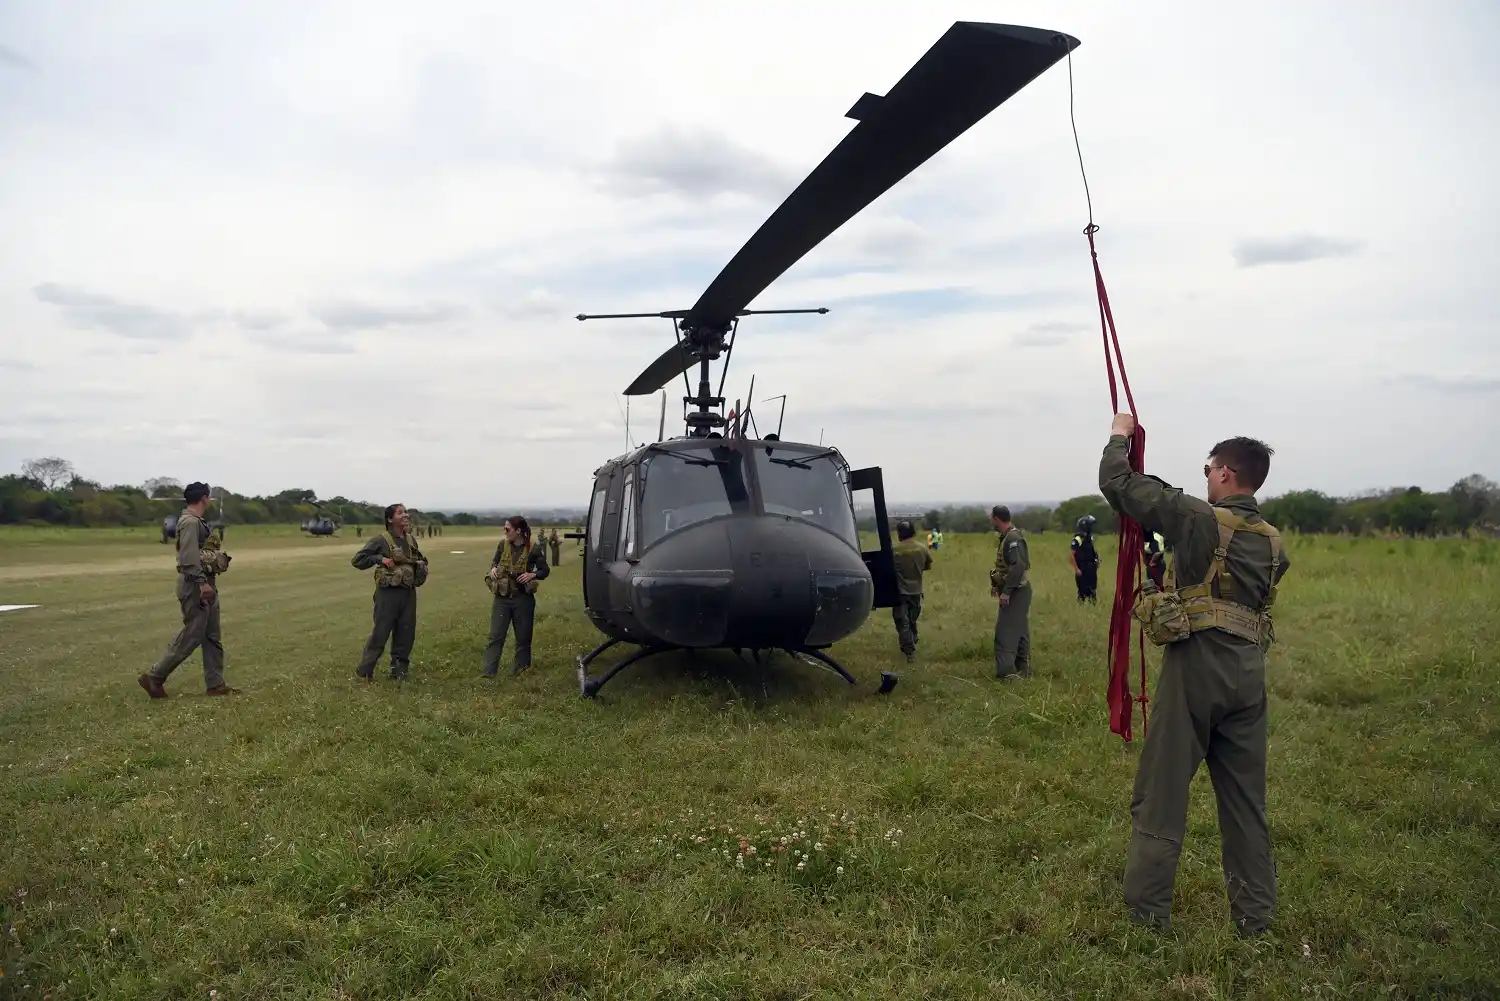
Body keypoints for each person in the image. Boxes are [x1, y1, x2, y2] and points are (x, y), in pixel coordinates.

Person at [1099, 413, 1292, 937]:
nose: (1206, 477)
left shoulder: (1199, 519)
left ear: (1226, 474)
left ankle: (1146, 918)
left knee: (1161, 792)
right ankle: (1255, 921)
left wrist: (1120, 434)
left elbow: (1118, 485)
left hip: (1196, 666)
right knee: (1246, 804)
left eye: (1210, 469)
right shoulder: (1275, 543)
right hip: (1249, 675)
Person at [138, 482, 238, 698]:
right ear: (204, 498)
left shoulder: (195, 521)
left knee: (212, 636)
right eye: (209, 497)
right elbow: (188, 558)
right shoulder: (190, 522)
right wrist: (202, 583)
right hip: (195, 585)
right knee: (192, 635)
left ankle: (216, 684)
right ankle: (155, 677)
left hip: (205, 583)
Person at [350, 503, 428, 681]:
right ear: (390, 519)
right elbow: (358, 560)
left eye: (406, 512)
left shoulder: (410, 539)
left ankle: (399, 671)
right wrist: (380, 559)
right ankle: (365, 671)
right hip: (388, 594)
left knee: (406, 632)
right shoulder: (381, 540)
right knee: (381, 632)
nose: (406, 515)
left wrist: (424, 565)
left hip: (408, 592)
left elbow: (418, 558)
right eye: (401, 513)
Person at [482, 515, 550, 677]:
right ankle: (489, 673)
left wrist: (532, 575)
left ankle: (522, 672)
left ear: (518, 531)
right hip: (502, 598)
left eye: (507, 529)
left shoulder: (533, 548)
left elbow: (545, 570)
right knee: (496, 636)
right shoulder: (502, 545)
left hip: (523, 599)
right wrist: (493, 569)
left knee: (523, 637)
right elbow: (495, 562)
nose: (505, 532)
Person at [988, 504, 1031, 679]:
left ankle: (1006, 674)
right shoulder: (1008, 537)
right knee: (1020, 629)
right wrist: (996, 584)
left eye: (991, 517)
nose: (990, 520)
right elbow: (1005, 567)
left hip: (1016, 592)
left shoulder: (1012, 538)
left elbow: (1018, 566)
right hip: (1015, 590)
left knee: (1005, 633)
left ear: (997, 518)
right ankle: (1023, 669)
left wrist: (1006, 591)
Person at [890, 519, 933, 662]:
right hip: (916, 591)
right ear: (913, 532)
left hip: (900, 592)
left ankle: (909, 651)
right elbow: (927, 566)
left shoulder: (894, 550)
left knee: (903, 623)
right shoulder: (922, 548)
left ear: (899, 534)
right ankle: (912, 639)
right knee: (912, 620)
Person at [1070, 514, 1102, 603]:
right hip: (1082, 567)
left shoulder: (1089, 538)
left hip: (1091, 567)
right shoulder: (1078, 539)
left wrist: (1096, 560)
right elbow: (1072, 555)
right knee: (1082, 591)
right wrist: (1076, 569)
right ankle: (1081, 609)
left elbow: (1091, 551)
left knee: (1092, 590)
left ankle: (1093, 608)